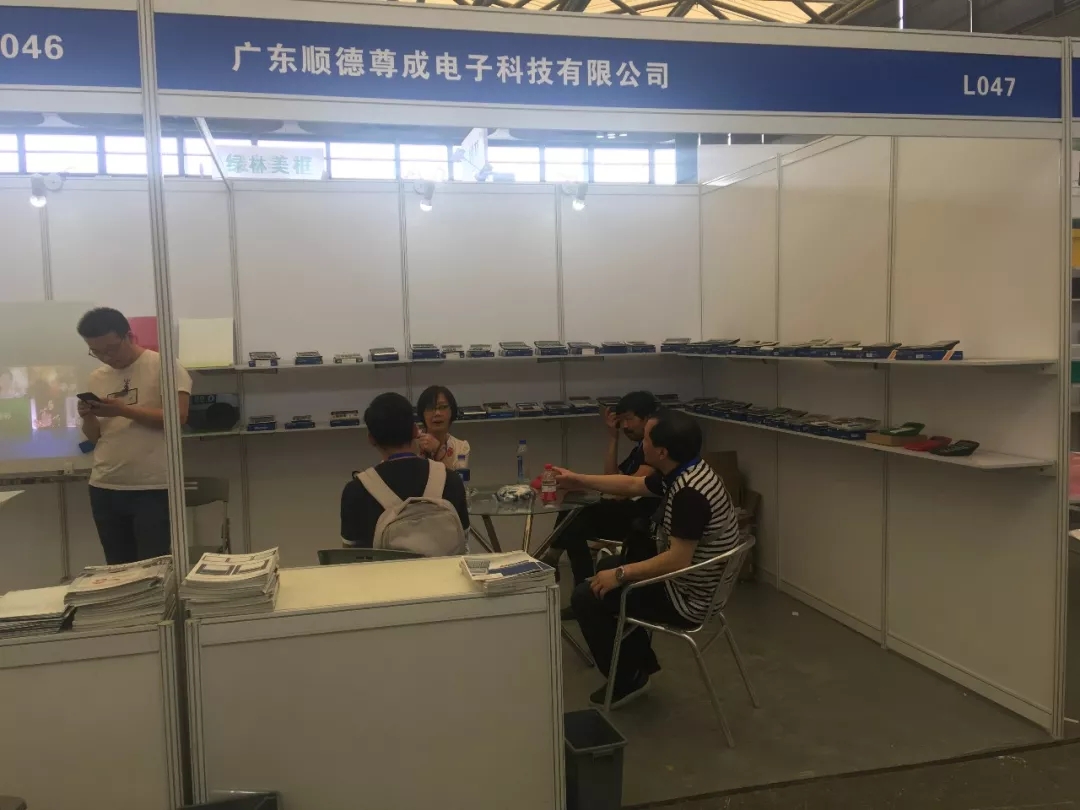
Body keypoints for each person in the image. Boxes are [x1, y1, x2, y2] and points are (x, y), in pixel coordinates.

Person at [554, 408, 740, 709]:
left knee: (587, 596)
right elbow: (632, 485)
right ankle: (638, 664)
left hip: (688, 599)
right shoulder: (686, 470)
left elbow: (677, 560)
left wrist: (621, 575)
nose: (642, 443)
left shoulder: (689, 493)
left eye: (647, 439)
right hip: (698, 584)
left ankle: (627, 680)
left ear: (662, 451)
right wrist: (578, 479)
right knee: (606, 568)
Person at [77, 307, 191, 564]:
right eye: (96, 352)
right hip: (105, 485)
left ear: (129, 336)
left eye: (111, 348)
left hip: (152, 487)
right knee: (117, 569)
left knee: (153, 569)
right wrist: (88, 417)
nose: (106, 357)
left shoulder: (165, 367)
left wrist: (123, 410)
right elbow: (95, 437)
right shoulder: (97, 377)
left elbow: (179, 417)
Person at [542, 391, 661, 593]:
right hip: (628, 511)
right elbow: (611, 477)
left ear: (648, 418)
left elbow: (624, 490)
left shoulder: (655, 448)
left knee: (574, 520)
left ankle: (559, 564)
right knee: (574, 516)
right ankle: (580, 584)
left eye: (629, 419)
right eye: (622, 421)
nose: (625, 426)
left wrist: (579, 480)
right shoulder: (640, 448)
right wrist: (613, 437)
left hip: (644, 522)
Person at [341, 392, 470, 548]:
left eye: (443, 407)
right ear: (415, 431)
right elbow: (464, 539)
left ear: (371, 438)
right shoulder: (451, 481)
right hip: (443, 564)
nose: (437, 413)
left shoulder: (356, 490)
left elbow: (350, 554)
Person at [415, 385, 471, 472]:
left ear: (452, 411)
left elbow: (460, 479)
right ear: (422, 413)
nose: (437, 413)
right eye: (430, 408)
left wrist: (438, 451)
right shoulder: (412, 443)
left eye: (443, 407)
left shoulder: (461, 447)